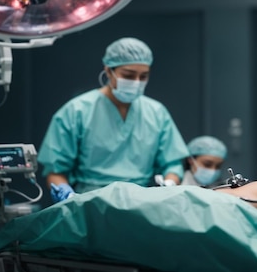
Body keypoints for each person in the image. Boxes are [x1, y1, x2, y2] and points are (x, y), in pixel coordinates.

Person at [38, 37, 189, 203]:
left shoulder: (156, 113)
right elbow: (56, 171)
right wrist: (68, 196)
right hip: (90, 205)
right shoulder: (76, 111)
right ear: (108, 70)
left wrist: (170, 182)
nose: (137, 82)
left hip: (142, 205)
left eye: (143, 76)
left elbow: (173, 164)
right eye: (129, 75)